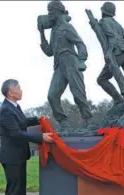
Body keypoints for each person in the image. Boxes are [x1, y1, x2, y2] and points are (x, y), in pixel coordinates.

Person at [0, 79, 54, 195]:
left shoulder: (14, 107)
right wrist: (41, 137)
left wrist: (37, 119)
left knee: (21, 191)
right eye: (18, 88)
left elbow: (22, 122)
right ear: (10, 92)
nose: (21, 90)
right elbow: (16, 133)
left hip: (19, 156)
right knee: (13, 192)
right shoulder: (5, 110)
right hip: (11, 157)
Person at [38, 0, 92, 133]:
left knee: (78, 94)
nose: (49, 13)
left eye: (51, 10)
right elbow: (50, 52)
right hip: (58, 65)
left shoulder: (67, 27)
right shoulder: (54, 30)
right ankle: (64, 123)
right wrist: (41, 33)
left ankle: (89, 121)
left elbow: (80, 44)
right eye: (48, 10)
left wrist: (81, 60)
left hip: (71, 61)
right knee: (52, 95)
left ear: (58, 11)